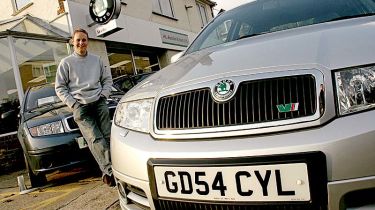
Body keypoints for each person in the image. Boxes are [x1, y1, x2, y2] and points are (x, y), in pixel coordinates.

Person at [55, 28, 115, 187]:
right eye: (78, 40)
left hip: (99, 102)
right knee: (96, 139)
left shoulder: (97, 60)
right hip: (80, 106)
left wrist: (103, 95)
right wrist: (73, 104)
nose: (81, 43)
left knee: (108, 136)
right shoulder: (66, 63)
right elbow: (60, 88)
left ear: (88, 41)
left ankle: (113, 170)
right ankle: (110, 171)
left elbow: (107, 80)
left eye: (84, 40)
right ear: (72, 42)